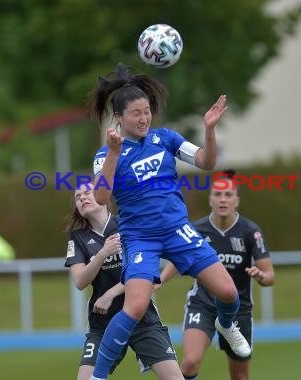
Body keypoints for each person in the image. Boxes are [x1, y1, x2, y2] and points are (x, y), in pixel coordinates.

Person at [87, 63, 251, 380]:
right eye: (136, 113)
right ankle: (98, 376)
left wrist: (210, 129)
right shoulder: (107, 153)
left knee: (229, 293)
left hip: (178, 232)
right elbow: (100, 198)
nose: (144, 118)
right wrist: (112, 153)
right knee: (134, 306)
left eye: (147, 111)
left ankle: (227, 325)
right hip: (140, 239)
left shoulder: (166, 139)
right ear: (119, 118)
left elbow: (206, 161)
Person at [160, 169, 275, 380]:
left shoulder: (250, 231)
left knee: (240, 376)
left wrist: (261, 276)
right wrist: (160, 280)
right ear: (210, 199)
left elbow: (270, 276)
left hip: (237, 309)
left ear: (237, 201)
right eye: (218, 194)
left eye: (228, 195)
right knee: (189, 362)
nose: (223, 199)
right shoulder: (196, 230)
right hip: (202, 304)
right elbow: (179, 260)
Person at [65, 183, 183, 380]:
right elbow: (79, 281)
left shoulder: (128, 225)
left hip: (142, 318)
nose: (82, 198)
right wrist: (103, 253)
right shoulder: (78, 238)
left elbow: (148, 270)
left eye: (88, 193)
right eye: (78, 197)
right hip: (102, 323)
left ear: (104, 197)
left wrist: (111, 293)